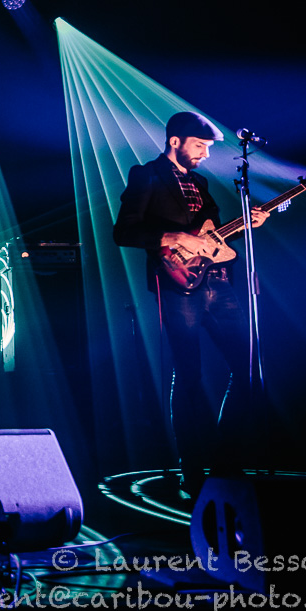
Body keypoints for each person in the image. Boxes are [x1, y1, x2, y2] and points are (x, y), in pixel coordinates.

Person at [113, 112, 267, 496]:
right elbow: (125, 230)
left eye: (208, 148)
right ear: (175, 141)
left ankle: (225, 461)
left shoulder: (200, 183)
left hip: (218, 284)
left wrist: (246, 224)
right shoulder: (146, 175)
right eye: (199, 146)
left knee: (249, 369)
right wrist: (175, 237)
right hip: (176, 284)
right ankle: (192, 469)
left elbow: (212, 236)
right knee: (189, 375)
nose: (205, 154)